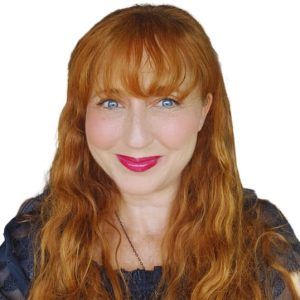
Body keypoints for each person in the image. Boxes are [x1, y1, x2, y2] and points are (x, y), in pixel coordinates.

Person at [0, 3, 299, 299]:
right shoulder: (34, 246)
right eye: (111, 103)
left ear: (204, 111)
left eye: (166, 102)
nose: (137, 138)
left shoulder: (260, 240)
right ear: (81, 112)